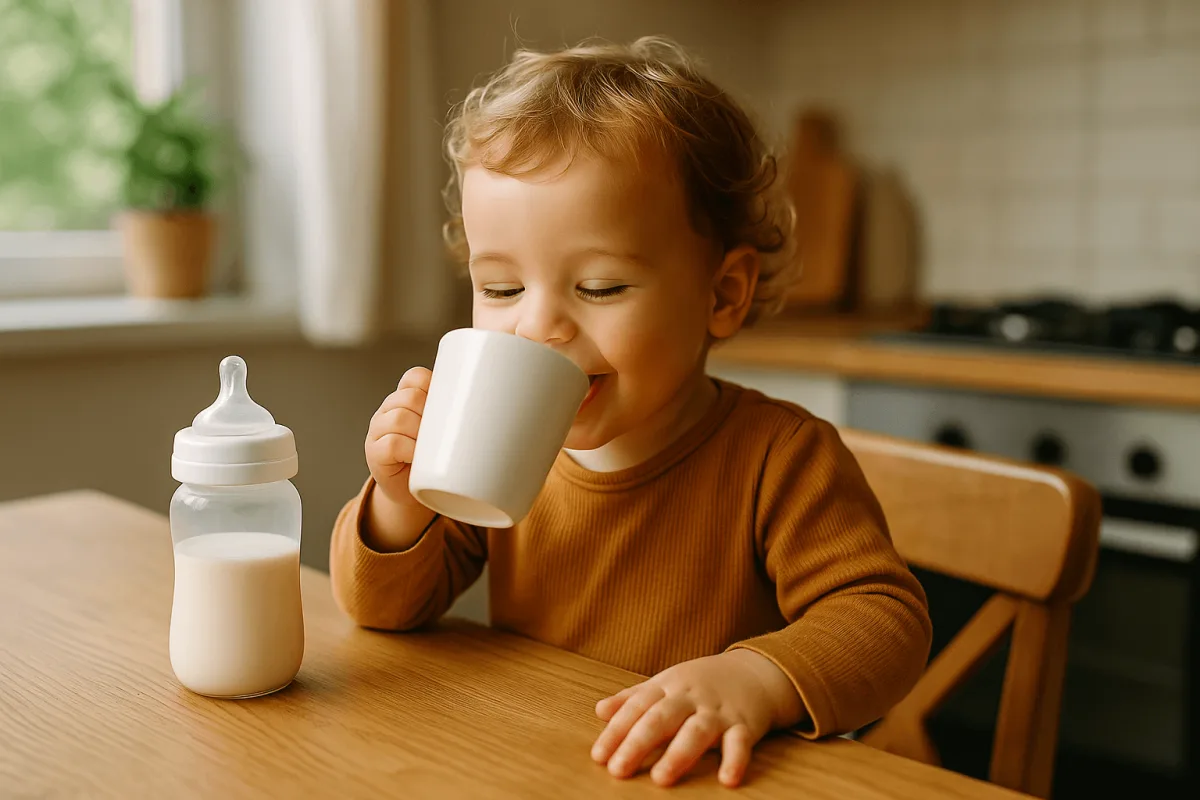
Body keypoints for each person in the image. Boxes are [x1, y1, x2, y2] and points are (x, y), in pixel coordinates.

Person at [330, 36, 931, 788]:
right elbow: (382, 611)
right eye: (503, 289)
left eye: (602, 287)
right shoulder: (504, 443)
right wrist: (396, 502)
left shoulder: (779, 456)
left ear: (722, 295)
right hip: (537, 763)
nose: (538, 328)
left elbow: (885, 620)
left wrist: (754, 680)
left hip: (695, 774)